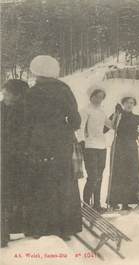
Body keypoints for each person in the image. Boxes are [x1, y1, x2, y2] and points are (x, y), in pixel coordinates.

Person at [24, 55, 82, 241]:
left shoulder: (32, 93)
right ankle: (66, 227)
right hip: (61, 143)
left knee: (40, 182)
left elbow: (24, 121)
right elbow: (76, 121)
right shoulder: (65, 90)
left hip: (38, 142)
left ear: (36, 72)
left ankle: (41, 227)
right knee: (64, 182)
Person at [106, 96, 139, 211]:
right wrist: (116, 115)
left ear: (134, 105)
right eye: (127, 102)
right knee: (118, 173)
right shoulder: (118, 115)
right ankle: (114, 202)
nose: (129, 105)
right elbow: (105, 128)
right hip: (119, 146)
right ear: (123, 104)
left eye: (132, 103)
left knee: (130, 174)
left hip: (131, 147)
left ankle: (127, 202)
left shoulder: (137, 118)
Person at [1, 80, 29, 247]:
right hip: (5, 158)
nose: (4, 97)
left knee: (18, 194)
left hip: (20, 159)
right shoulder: (2, 108)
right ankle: (4, 232)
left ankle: (17, 227)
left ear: (18, 95)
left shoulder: (26, 110)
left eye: (7, 94)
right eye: (3, 94)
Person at [77, 85, 112, 212]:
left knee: (100, 176)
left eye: (101, 97)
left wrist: (117, 114)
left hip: (102, 146)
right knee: (93, 176)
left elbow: (111, 125)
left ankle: (97, 204)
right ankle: (86, 205)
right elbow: (80, 128)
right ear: (91, 96)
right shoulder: (85, 110)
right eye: (96, 97)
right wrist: (81, 141)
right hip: (90, 146)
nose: (99, 100)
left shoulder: (102, 111)